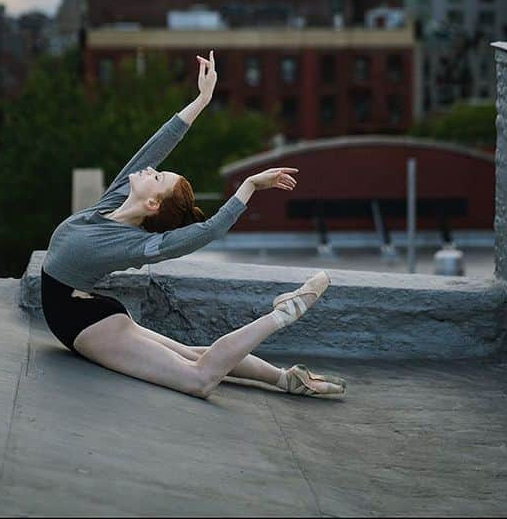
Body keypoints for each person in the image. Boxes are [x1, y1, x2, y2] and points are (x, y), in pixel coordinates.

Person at [40, 50, 345, 399]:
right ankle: (286, 379)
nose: (149, 170)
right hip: (87, 308)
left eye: (157, 177)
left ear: (152, 204)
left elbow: (209, 231)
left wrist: (248, 186)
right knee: (192, 354)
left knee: (197, 378)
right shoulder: (114, 201)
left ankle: (282, 315)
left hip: (83, 323)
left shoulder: (136, 243)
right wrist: (202, 99)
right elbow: (157, 145)